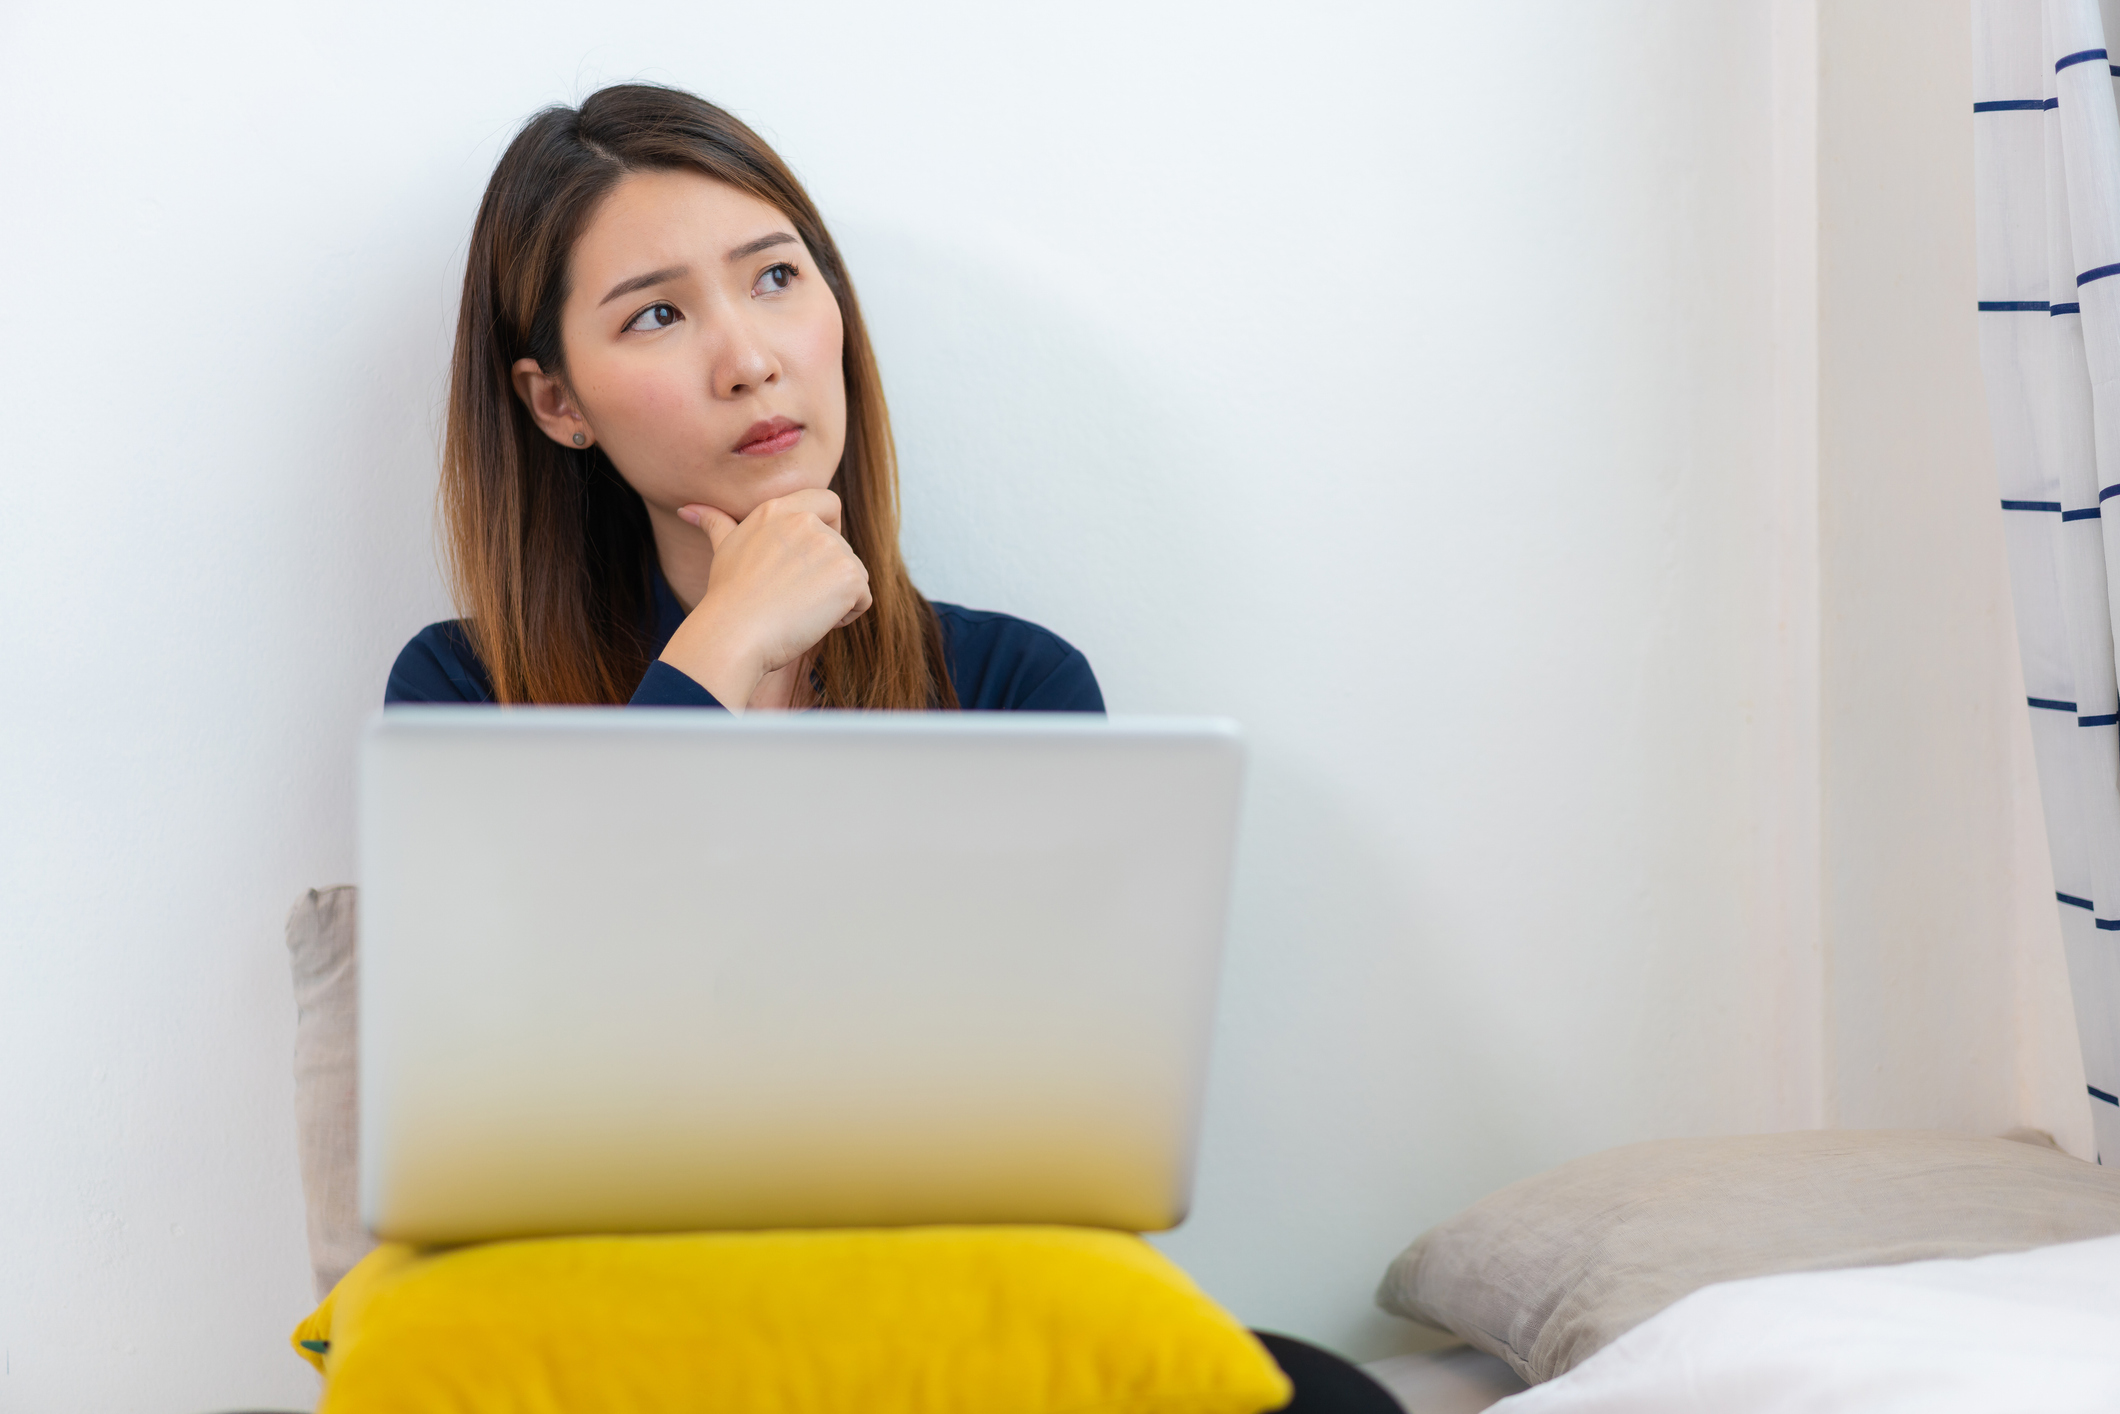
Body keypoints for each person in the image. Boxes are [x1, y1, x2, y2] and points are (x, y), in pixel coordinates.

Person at [385, 84, 1100, 714]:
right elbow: (588, 872)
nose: (750, 364)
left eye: (776, 276)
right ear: (557, 403)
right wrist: (729, 641)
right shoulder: (463, 696)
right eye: (657, 315)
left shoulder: (1016, 693)